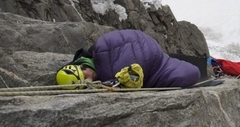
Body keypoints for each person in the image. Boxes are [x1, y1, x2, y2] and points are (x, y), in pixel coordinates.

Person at [56, 29, 201, 88]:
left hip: (157, 60)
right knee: (189, 74)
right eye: (85, 84)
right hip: (157, 68)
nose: (90, 81)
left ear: (82, 68)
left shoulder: (100, 50)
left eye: (84, 77)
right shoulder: (103, 77)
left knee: (189, 74)